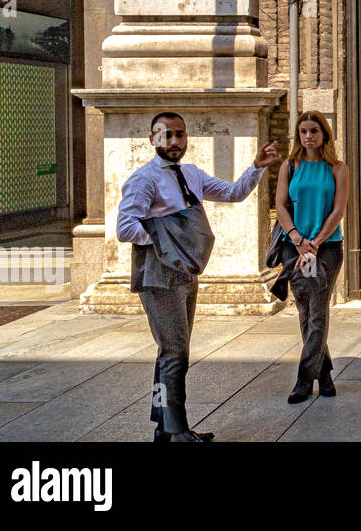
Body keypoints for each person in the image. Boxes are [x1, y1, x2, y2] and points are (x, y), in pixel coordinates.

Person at [117, 112, 278, 442]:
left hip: (185, 273)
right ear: (153, 140)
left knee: (170, 353)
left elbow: (233, 193)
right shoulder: (144, 179)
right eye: (166, 135)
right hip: (159, 276)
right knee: (175, 354)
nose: (174, 142)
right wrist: (169, 241)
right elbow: (125, 227)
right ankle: (177, 432)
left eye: (180, 135)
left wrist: (257, 166)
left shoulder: (191, 174)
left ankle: (165, 426)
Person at [274, 110, 349, 404]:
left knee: (317, 311)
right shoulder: (289, 166)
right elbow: (280, 206)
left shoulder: (338, 168)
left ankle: (305, 380)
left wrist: (315, 243)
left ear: (324, 134)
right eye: (303, 131)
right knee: (306, 311)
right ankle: (325, 373)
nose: (308, 136)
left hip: (326, 248)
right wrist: (296, 238)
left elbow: (338, 210)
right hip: (294, 246)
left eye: (314, 131)